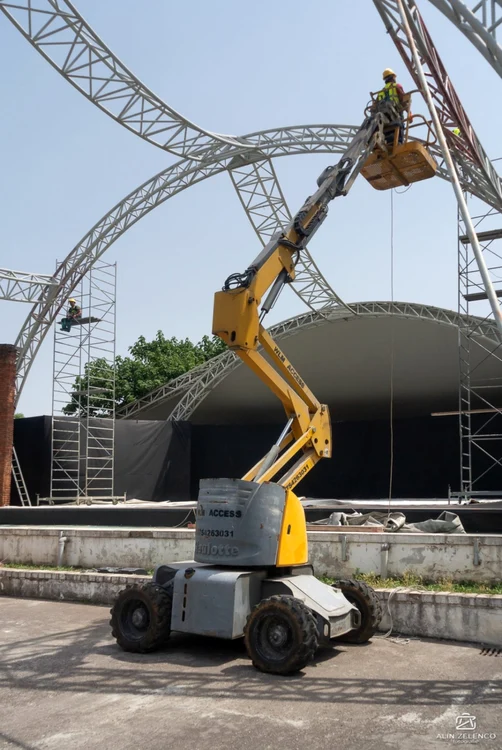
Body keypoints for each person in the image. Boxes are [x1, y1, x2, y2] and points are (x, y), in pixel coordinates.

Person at [375, 68, 407, 144]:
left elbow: (374, 105)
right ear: (393, 77)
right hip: (396, 113)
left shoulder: (381, 91)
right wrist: (409, 112)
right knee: (400, 125)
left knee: (386, 128)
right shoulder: (397, 86)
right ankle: (398, 142)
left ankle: (387, 141)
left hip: (384, 116)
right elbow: (404, 100)